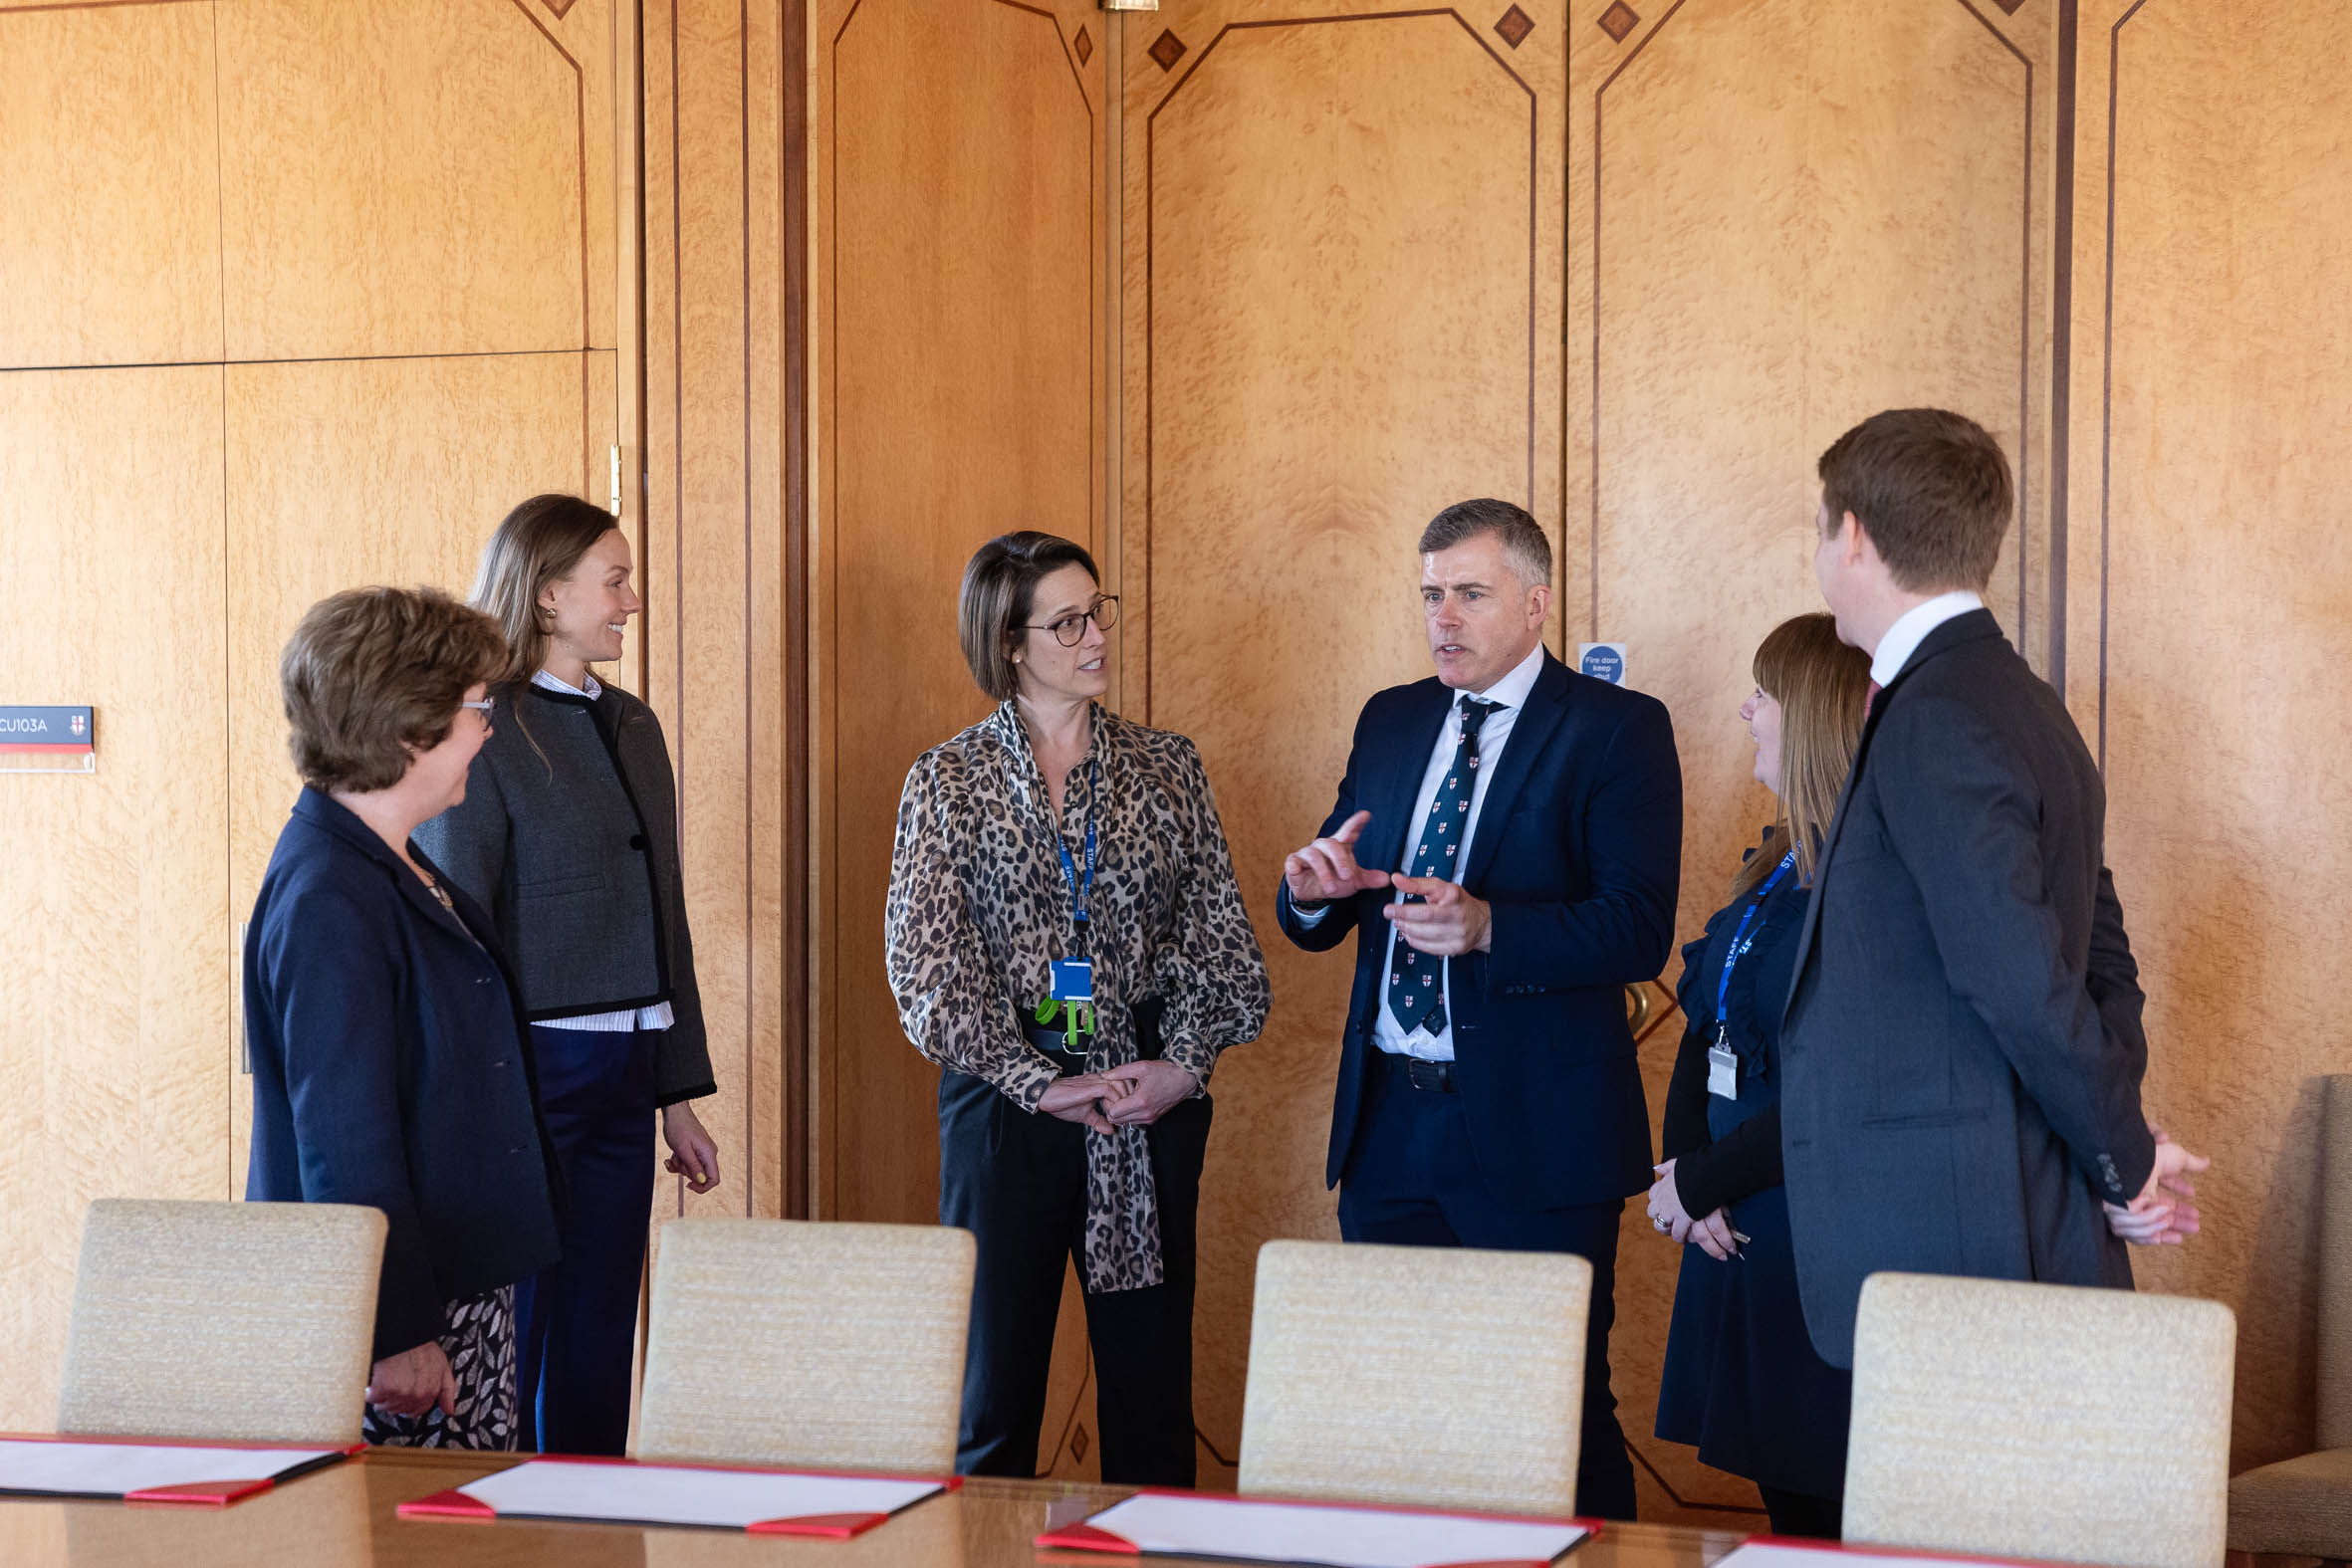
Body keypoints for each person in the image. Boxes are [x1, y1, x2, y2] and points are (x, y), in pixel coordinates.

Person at [1275, 498, 1681, 1522]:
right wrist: (1311, 893)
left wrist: (1494, 927)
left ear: (1535, 603)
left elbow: (1637, 927)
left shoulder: (1617, 729)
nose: (1442, 618)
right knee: (1405, 1415)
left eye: (1468, 593)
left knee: (1553, 1412)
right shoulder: (1392, 716)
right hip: (1388, 1128)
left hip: (1539, 1134)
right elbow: (1339, 884)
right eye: (1429, 595)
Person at [1780, 407, 2209, 1371]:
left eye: (1819, 529)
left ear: (1854, 534)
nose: (1818, 555)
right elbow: (2097, 953)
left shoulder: (1937, 714)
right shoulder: (2020, 700)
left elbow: (2022, 980)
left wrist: (2123, 1158)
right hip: (1995, 1206)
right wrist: (2116, 1145)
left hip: (1953, 1233)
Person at [885, 531, 1269, 1486]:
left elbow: (1223, 948)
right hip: (1002, 1103)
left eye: (1098, 611)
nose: (1096, 635)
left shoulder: (1168, 766)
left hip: (1144, 1094)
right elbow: (926, 972)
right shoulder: (947, 780)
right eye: (1068, 622)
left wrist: (1183, 1065)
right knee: (992, 1402)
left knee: (1150, 1401)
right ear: (1009, 643)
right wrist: (1035, 1081)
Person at [413, 493, 721, 1456]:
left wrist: (676, 1095)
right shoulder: (484, 726)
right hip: (527, 1078)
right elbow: (458, 927)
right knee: (520, 1340)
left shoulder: (634, 725)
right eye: (614, 581)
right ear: (548, 595)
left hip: (625, 1078)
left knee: (597, 1339)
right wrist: (477, 1099)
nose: (632, 599)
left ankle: (591, 1521)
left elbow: (662, 917)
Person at [244, 585, 560, 1450]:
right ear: (407, 730)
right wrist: (393, 1328)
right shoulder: (327, 893)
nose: (487, 731)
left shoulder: (385, 859)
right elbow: (344, 1133)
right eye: (475, 709)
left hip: (453, 1287)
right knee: (416, 1522)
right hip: (395, 1317)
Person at [1646, 612, 1867, 1539]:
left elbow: (1838, 1086)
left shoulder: (1868, 875)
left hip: (1813, 1226)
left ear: (1814, 717)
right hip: (1737, 1221)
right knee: (1788, 1509)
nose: (1745, 709)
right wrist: (1682, 1175)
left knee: (1834, 1516)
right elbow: (1705, 1024)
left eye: (1765, 694)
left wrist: (1702, 1181)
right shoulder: (1778, 858)